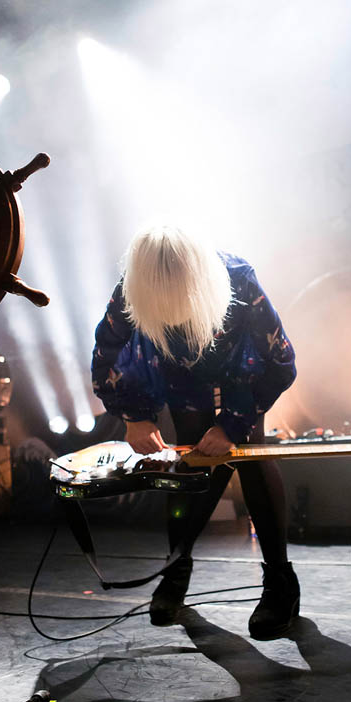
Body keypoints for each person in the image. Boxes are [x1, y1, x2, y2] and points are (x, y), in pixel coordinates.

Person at [91, 225, 299, 640]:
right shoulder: (130, 289)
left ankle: (280, 582)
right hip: (178, 377)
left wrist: (233, 424)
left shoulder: (239, 279)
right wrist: (134, 416)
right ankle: (176, 569)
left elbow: (282, 364)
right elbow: (104, 357)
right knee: (188, 468)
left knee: (249, 454)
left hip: (242, 375)